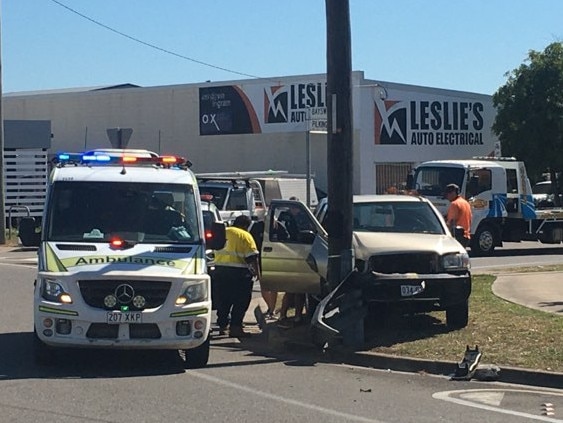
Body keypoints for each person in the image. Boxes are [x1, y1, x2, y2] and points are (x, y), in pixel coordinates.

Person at [213, 214, 260, 338]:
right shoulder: (245, 236)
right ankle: (235, 327)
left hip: (220, 271)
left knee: (223, 300)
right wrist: (257, 273)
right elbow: (252, 257)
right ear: (246, 225)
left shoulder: (224, 232)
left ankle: (223, 325)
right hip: (239, 274)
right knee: (240, 301)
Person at [444, 183, 472, 247]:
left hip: (457, 236)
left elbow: (451, 222)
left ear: (453, 193)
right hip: (466, 236)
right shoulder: (465, 203)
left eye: (447, 194)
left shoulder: (454, 204)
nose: (447, 197)